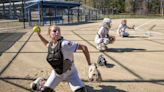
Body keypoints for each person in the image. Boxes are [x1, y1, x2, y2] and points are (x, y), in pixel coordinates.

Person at [33, 25, 91, 92]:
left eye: (58, 30)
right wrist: (39, 35)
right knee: (45, 91)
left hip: (71, 74)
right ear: (49, 34)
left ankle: (80, 86)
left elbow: (84, 48)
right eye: (54, 31)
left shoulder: (65, 44)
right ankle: (41, 83)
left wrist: (89, 64)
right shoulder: (51, 45)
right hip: (57, 74)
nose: (57, 32)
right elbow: (46, 44)